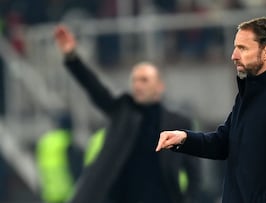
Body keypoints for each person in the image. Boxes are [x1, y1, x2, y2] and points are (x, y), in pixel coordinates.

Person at [156, 17, 266, 203]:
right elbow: (224, 143)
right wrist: (184, 139)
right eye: (235, 47)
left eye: (243, 48)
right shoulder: (248, 94)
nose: (234, 55)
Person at [53, 25, 201, 203]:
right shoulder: (123, 111)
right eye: (135, 80)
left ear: (159, 86)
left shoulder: (178, 122)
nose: (138, 85)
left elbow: (194, 173)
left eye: (144, 80)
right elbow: (95, 89)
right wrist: (72, 57)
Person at [36, 113, 83, 203]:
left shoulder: (45, 142)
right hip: (67, 194)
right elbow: (76, 170)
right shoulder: (67, 143)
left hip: (49, 194)